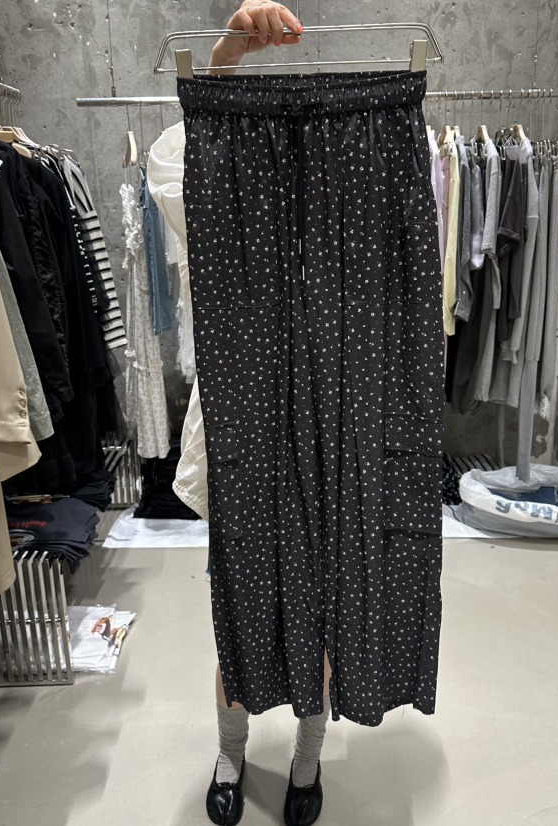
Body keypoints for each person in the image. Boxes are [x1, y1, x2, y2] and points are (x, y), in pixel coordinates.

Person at [198, 6, 330, 826]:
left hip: (325, 415)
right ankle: (231, 750)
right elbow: (207, 134)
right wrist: (228, 51)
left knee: (318, 613)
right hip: (238, 415)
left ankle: (308, 759)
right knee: (241, 608)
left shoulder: (349, 184)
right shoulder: (203, 160)